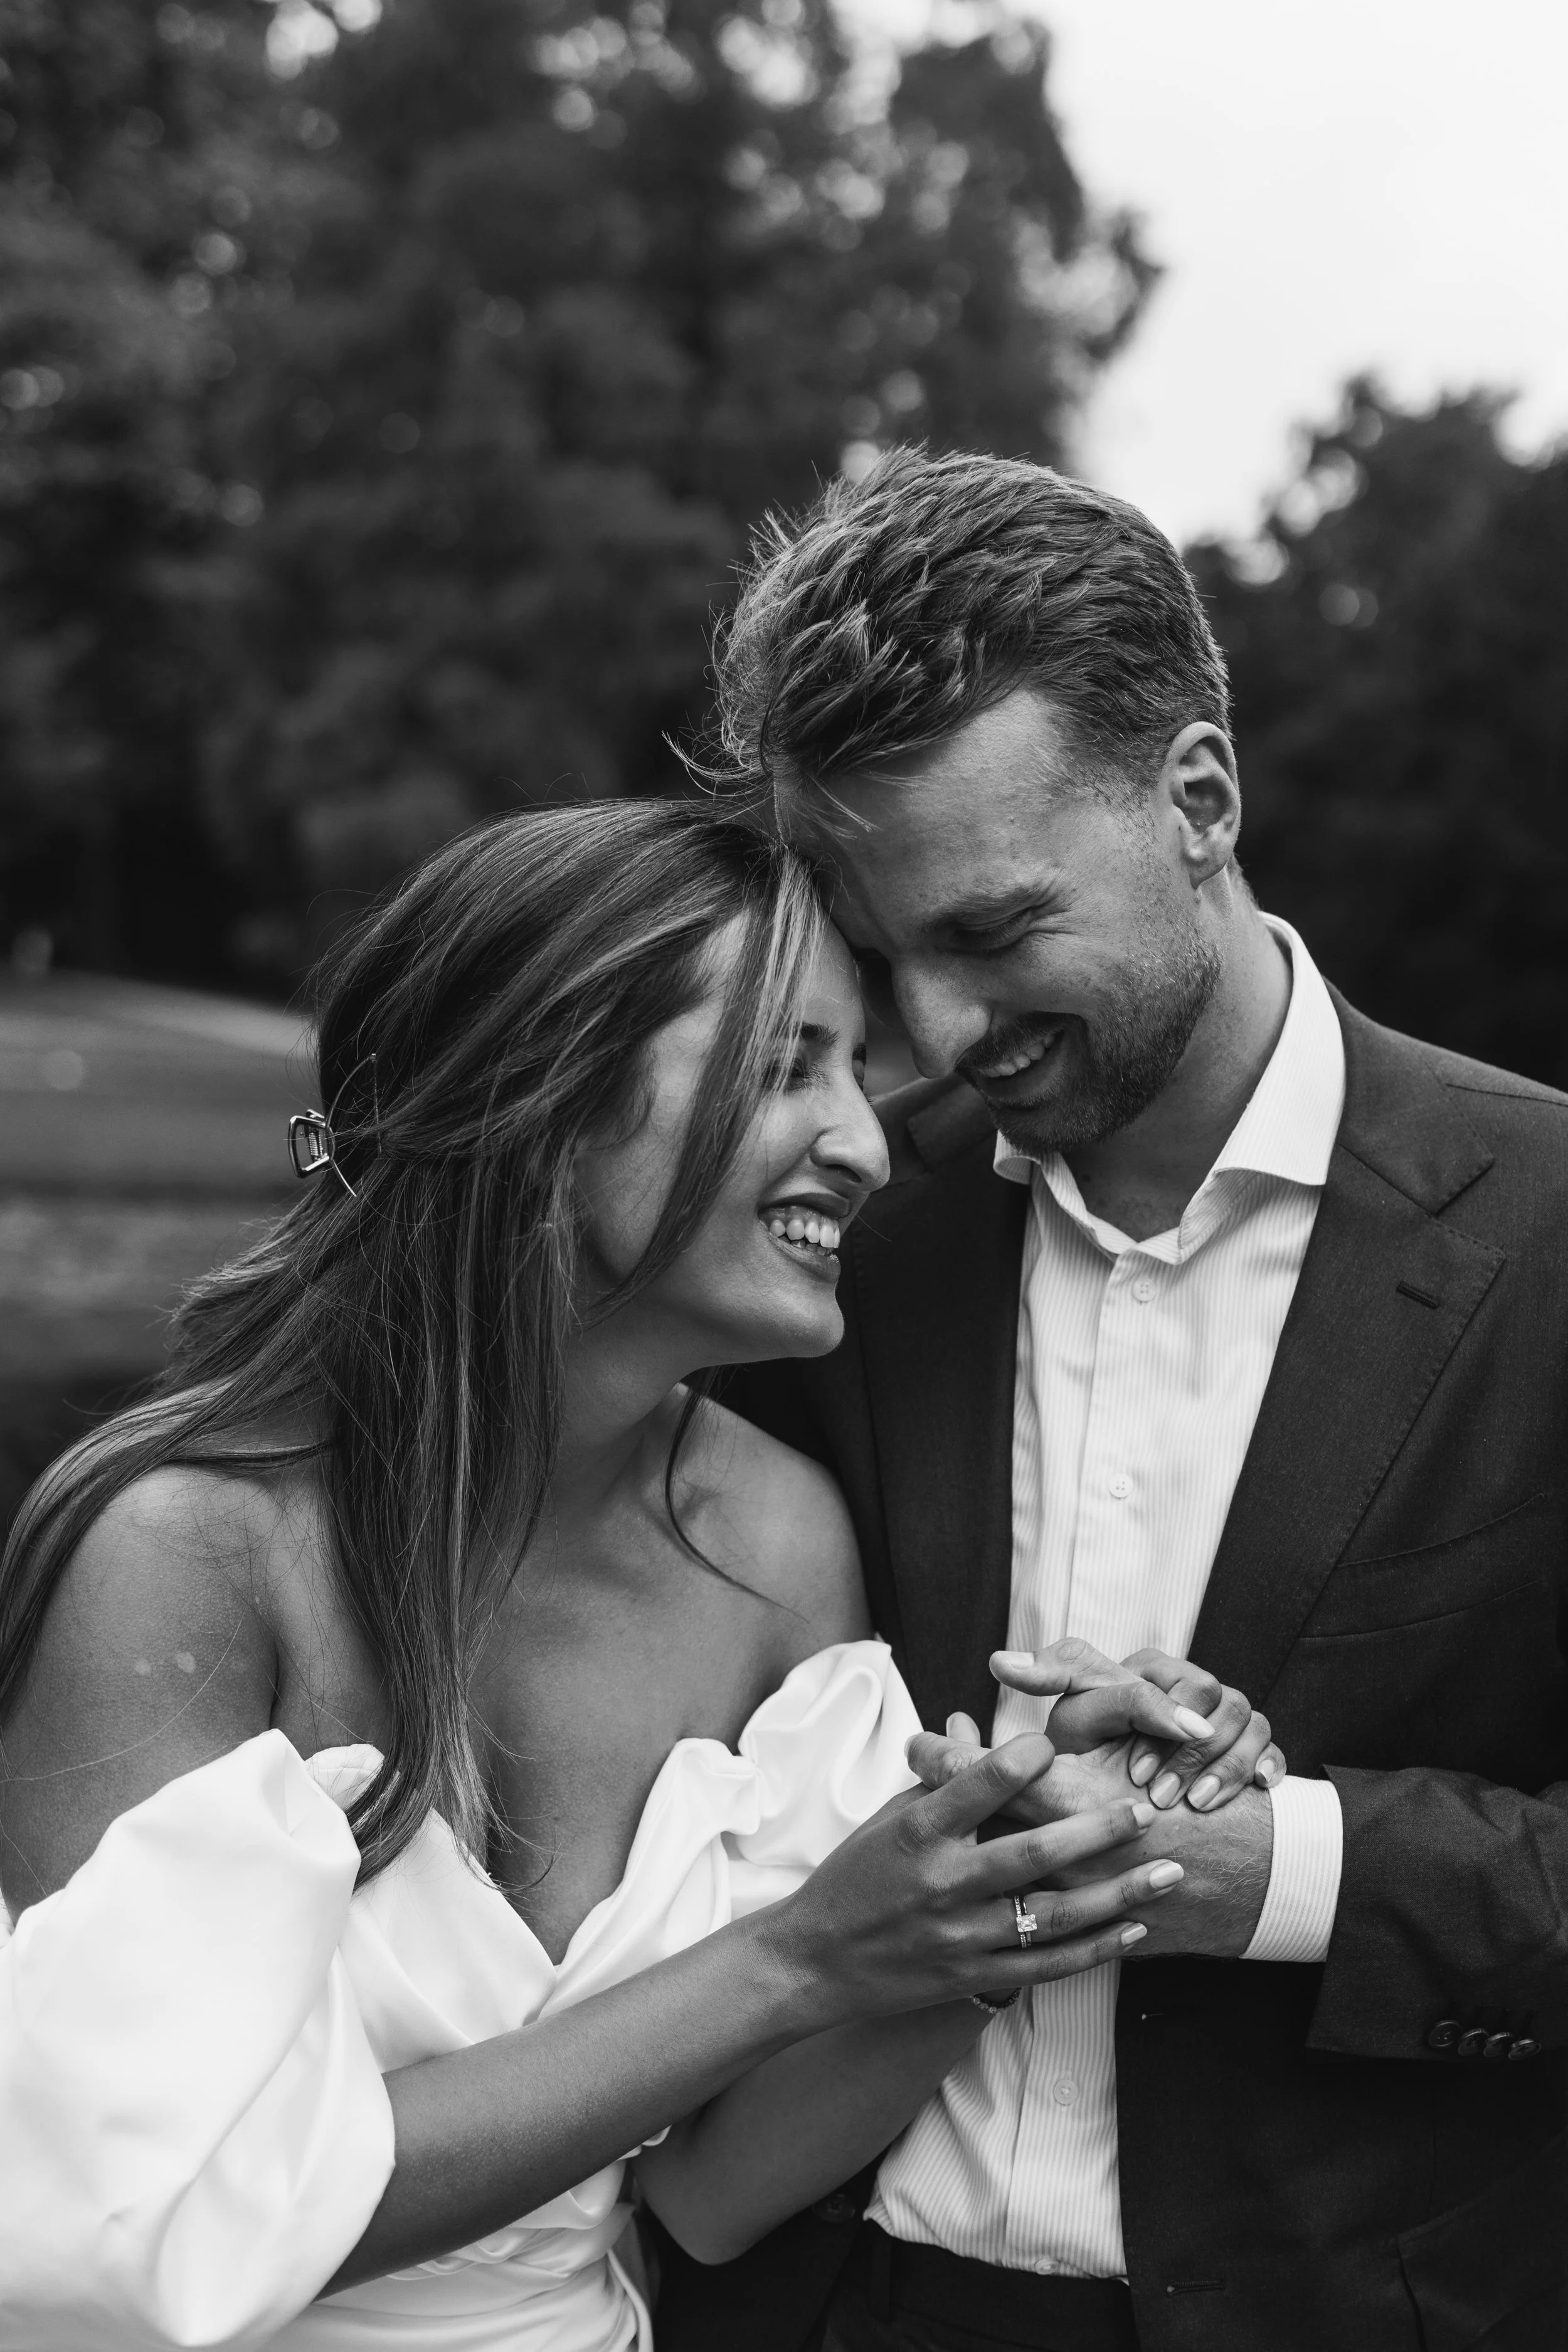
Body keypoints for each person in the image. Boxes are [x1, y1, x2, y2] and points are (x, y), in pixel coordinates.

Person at [0, 803, 1265, 2352]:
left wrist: (996, 1876)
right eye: (784, 1064)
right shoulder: (186, 1556)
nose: (868, 1143)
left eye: (854, 1071)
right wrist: (791, 1961)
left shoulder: (776, 1542)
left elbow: (711, 2191)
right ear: (546, 1099)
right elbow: (144, 2233)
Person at [655, 450, 1568, 2352]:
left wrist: (1275, 1866)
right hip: (826, 2299)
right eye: (880, 956)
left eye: (989, 934)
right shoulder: (819, 1244)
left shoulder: (1547, 1230)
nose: (933, 1035)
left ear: (1200, 803)